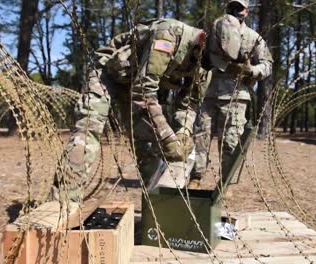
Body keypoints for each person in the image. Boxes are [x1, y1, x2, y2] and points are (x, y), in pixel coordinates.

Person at [52, 19, 213, 202]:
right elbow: (144, 92)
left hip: (136, 87)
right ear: (203, 39)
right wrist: (168, 137)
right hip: (109, 75)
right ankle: (62, 204)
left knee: (149, 147)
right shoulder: (168, 35)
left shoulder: (207, 63)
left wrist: (183, 131)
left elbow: (189, 103)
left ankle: (158, 208)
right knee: (88, 131)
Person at [190, 0, 273, 189]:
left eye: (240, 7)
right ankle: (195, 177)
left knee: (230, 142)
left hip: (235, 96)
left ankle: (225, 183)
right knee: (200, 138)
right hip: (209, 93)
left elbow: (267, 65)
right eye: (232, 7)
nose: (236, 11)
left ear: (247, 11)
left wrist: (251, 70)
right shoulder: (215, 32)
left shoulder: (254, 37)